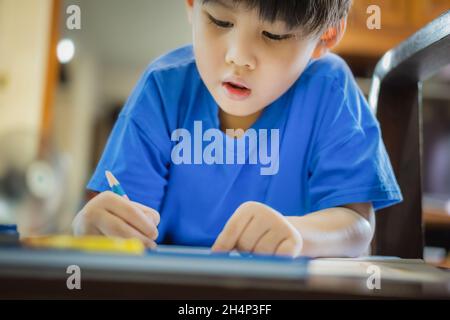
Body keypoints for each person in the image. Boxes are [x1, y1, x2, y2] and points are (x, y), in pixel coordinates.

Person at [72, 0, 402, 258]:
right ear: (192, 4)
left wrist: (297, 233)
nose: (239, 57)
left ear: (325, 36)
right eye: (220, 21)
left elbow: (358, 225)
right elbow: (119, 217)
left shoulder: (330, 91)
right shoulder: (163, 88)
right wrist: (93, 228)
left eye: (274, 34)